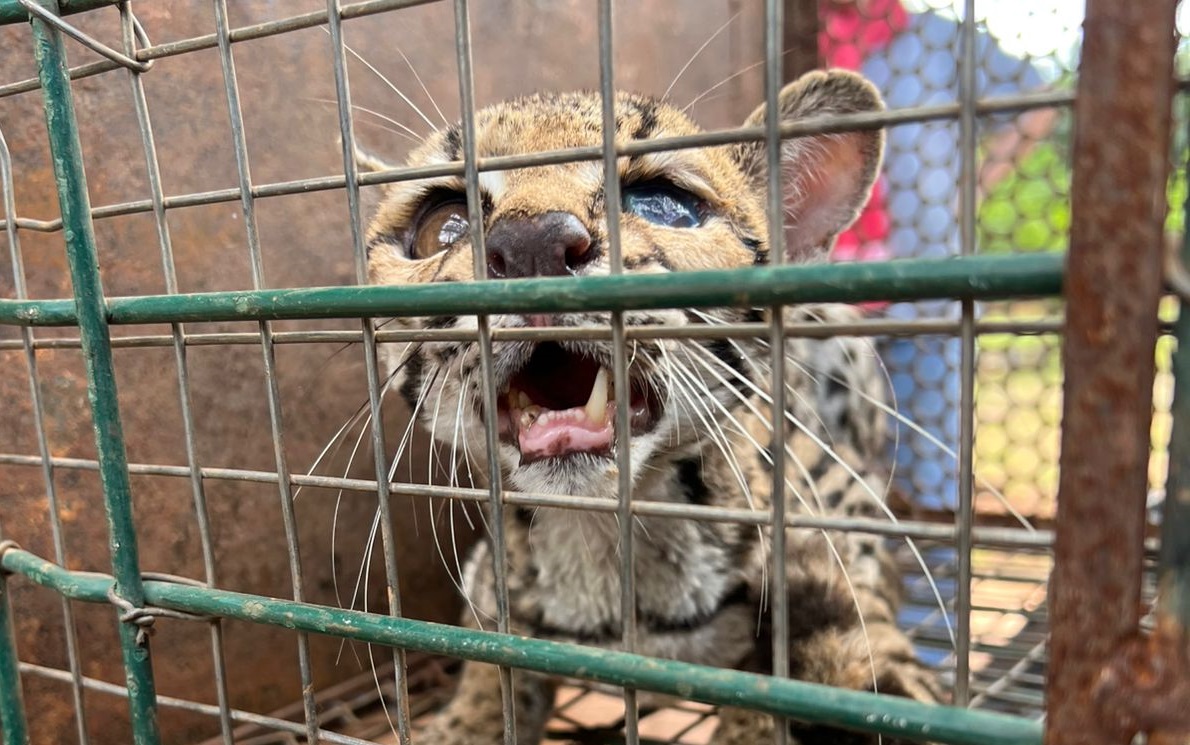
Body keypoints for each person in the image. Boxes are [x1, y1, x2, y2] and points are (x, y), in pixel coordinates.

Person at [820, 0, 1058, 512]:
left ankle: (937, 590)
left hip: (920, 290)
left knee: (930, 467)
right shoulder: (796, 36)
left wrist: (969, 187)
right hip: (819, 303)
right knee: (826, 475)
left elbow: (1041, 99)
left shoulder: (936, 37)